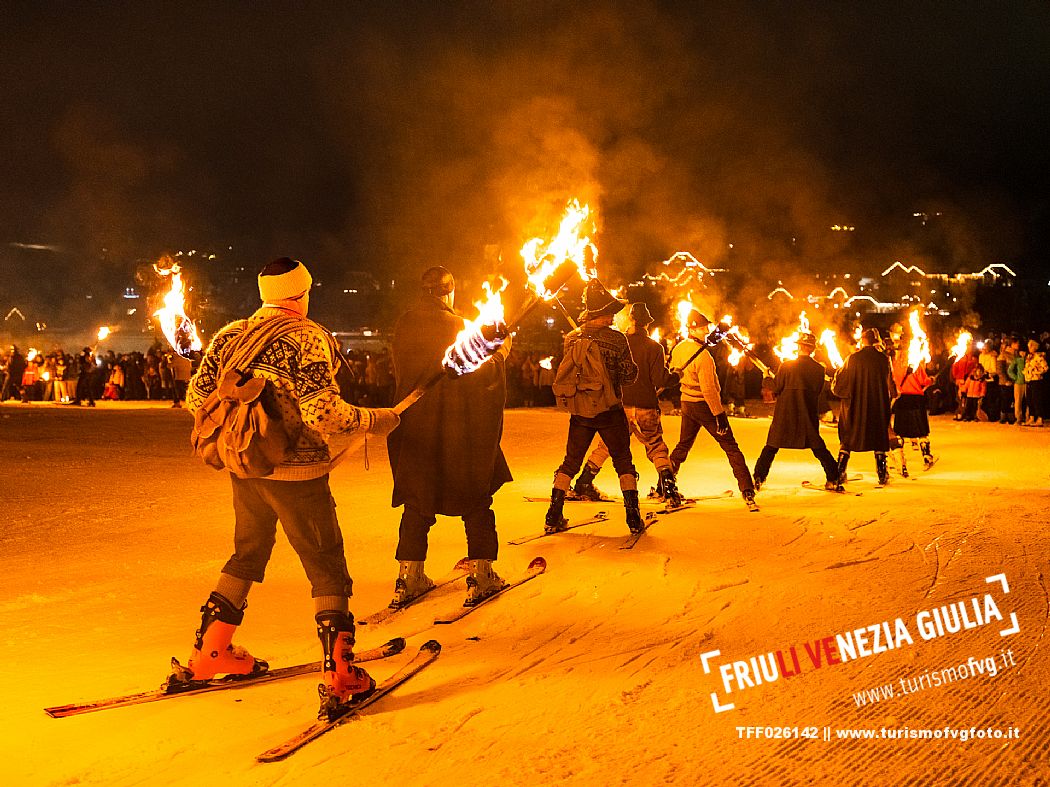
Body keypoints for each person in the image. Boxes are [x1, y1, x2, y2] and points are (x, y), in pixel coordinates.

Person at [173, 257, 400, 722]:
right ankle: (340, 673)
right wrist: (374, 420)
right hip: (298, 474)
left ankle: (211, 653)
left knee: (247, 553)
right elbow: (322, 413)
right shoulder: (308, 336)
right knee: (325, 563)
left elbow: (198, 398)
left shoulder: (229, 335)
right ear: (302, 292)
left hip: (247, 466)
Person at [388, 266, 513, 609]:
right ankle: (483, 574)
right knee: (475, 495)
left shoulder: (404, 324)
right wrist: (500, 354)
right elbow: (479, 378)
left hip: (416, 426)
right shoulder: (461, 327)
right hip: (458, 430)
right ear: (448, 293)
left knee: (418, 499)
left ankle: (409, 575)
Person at [544, 280, 642, 533]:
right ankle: (633, 518)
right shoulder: (618, 340)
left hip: (581, 409)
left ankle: (553, 515)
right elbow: (628, 376)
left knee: (570, 462)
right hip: (610, 410)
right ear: (605, 313)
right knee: (623, 461)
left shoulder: (572, 338)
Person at [570, 302, 683, 507]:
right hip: (645, 406)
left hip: (619, 405)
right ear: (647, 324)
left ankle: (584, 482)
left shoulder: (619, 343)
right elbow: (660, 380)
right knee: (656, 446)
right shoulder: (654, 347)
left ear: (631, 320)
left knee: (606, 446)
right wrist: (674, 377)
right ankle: (670, 489)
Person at [668, 311, 758, 511]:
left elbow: (674, 371)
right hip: (703, 405)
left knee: (683, 446)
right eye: (703, 328)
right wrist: (719, 416)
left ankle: (664, 485)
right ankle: (747, 489)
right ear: (692, 329)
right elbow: (709, 389)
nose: (707, 330)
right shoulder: (705, 357)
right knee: (730, 446)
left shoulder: (679, 348)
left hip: (686, 402)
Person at [752, 331, 841, 491]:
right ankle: (834, 477)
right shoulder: (819, 369)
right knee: (818, 448)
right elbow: (818, 390)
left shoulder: (787, 366)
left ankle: (758, 477)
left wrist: (767, 377)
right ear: (812, 349)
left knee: (771, 447)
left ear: (799, 347)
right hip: (806, 413)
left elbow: (776, 388)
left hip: (785, 414)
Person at [832, 327, 893, 485]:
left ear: (862, 341)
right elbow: (890, 385)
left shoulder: (852, 359)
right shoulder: (883, 359)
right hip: (877, 406)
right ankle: (882, 473)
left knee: (848, 438)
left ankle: (839, 472)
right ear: (876, 342)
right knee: (878, 438)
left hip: (854, 407)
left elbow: (839, 386)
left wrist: (836, 378)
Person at [891, 350, 936, 470]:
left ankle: (901, 461)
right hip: (916, 400)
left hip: (902, 399)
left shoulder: (895, 366)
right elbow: (923, 381)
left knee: (900, 431)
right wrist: (931, 380)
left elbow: (893, 381)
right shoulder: (916, 366)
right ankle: (926, 456)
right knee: (921, 430)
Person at [1022, 339, 1047, 426]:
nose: (1029, 347)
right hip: (1029, 380)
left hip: (1036, 381)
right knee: (1029, 400)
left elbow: (1045, 368)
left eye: (1031, 346)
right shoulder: (1029, 357)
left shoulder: (1039, 357)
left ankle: (1040, 418)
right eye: (1028, 346)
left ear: (1035, 347)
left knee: (1037, 400)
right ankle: (1032, 418)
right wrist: (1025, 372)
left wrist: (1035, 372)